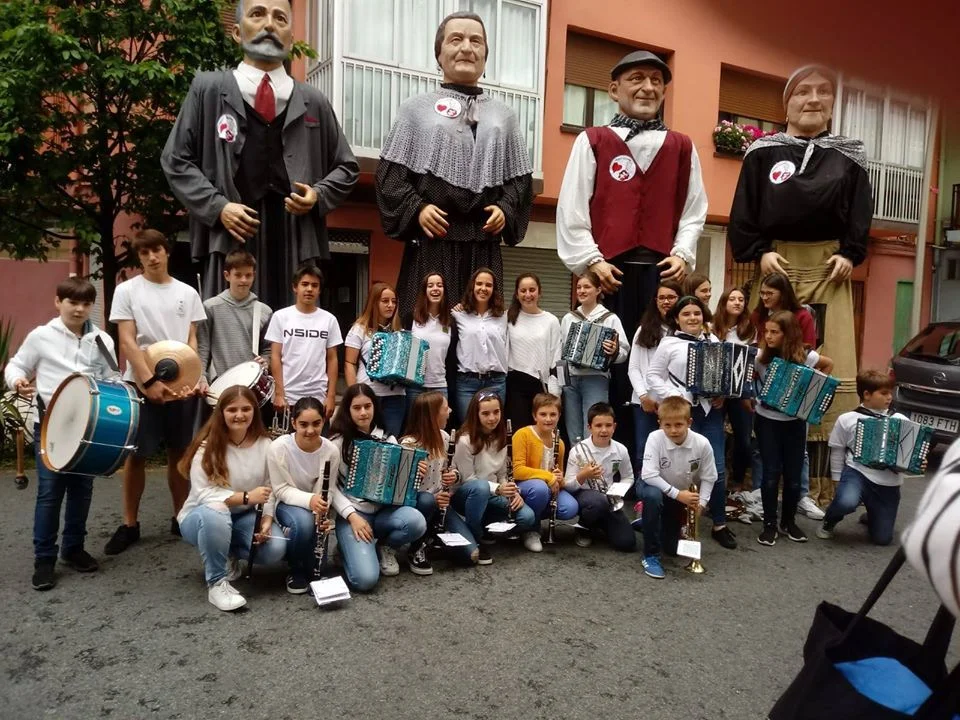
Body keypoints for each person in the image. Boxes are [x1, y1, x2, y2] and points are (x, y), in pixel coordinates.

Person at [729, 65, 872, 511]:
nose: (813, 99)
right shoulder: (761, 153)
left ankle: (814, 487)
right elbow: (744, 211)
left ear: (832, 103)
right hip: (776, 266)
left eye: (823, 92)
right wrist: (760, 251)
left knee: (826, 371)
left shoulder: (850, 156)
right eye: (802, 92)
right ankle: (757, 481)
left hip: (831, 271)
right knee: (766, 365)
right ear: (786, 104)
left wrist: (850, 253)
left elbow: (860, 213)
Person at [161, 0, 359, 311]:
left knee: (294, 328)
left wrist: (318, 195)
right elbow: (176, 159)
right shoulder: (207, 89)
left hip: (294, 237)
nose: (269, 24)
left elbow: (346, 167)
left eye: (280, 18)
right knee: (227, 326)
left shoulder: (314, 101)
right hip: (230, 234)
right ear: (237, 32)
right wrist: (218, 207)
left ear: (291, 38)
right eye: (258, 14)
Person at [376, 11, 533, 316]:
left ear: (485, 55)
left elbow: (520, 183)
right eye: (456, 39)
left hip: (483, 243)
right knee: (427, 326)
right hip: (433, 241)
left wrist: (505, 208)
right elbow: (390, 178)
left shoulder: (505, 116)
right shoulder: (414, 110)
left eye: (476, 41)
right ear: (439, 54)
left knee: (482, 329)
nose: (466, 48)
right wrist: (417, 208)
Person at [556, 49, 707, 341]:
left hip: (662, 277)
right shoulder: (593, 140)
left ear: (664, 92)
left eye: (656, 80)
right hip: (607, 275)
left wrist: (682, 254)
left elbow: (694, 211)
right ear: (614, 90)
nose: (648, 87)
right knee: (602, 355)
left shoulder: (682, 146)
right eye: (637, 79)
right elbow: (572, 209)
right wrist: (592, 261)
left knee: (661, 352)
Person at [5, 277, 118, 590]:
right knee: (50, 492)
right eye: (72, 302)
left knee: (82, 489)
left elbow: (112, 378)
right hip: (50, 425)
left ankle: (73, 548)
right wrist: (17, 382)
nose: (79, 309)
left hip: (88, 427)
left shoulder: (102, 340)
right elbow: (15, 366)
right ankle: (44, 559)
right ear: (58, 302)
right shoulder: (41, 336)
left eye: (86, 303)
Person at [105, 230, 207, 556]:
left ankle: (180, 517)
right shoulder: (127, 291)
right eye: (145, 252)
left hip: (181, 387)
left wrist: (192, 376)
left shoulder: (188, 292)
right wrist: (148, 382)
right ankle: (129, 524)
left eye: (157, 250)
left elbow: (192, 340)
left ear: (167, 252)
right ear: (139, 257)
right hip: (141, 385)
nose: (152, 257)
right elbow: (127, 340)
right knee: (136, 455)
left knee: (179, 453)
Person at [178, 385, 286, 610]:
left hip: (243, 517)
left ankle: (226, 552)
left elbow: (270, 487)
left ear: (254, 411)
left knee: (274, 549)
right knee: (216, 511)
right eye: (232, 410)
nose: (239, 415)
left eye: (246, 409)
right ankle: (216, 583)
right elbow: (204, 494)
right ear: (221, 412)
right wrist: (246, 497)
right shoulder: (207, 446)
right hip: (201, 517)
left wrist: (267, 520)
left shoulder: (265, 445)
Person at [646, 295, 737, 549]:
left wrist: (722, 392)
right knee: (682, 469)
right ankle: (679, 523)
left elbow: (723, 374)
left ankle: (719, 524)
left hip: (709, 412)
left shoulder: (713, 341)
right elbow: (653, 376)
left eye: (696, 313)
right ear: (677, 319)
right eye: (686, 314)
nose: (692, 318)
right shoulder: (669, 343)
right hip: (681, 416)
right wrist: (675, 396)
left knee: (716, 468)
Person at [329, 384, 428, 590]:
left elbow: (400, 484)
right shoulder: (337, 443)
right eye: (357, 408)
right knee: (365, 580)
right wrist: (351, 516)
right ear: (347, 410)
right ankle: (345, 550)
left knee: (417, 522)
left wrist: (414, 473)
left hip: (384, 513)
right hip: (355, 514)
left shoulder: (388, 438)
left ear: (375, 407)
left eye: (368, 406)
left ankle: (385, 547)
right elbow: (331, 488)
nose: (363, 412)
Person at [753, 311, 834, 546]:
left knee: (793, 476)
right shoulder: (760, 357)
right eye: (766, 331)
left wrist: (810, 393)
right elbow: (750, 379)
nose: (768, 336)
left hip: (795, 423)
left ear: (788, 334)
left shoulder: (807, 356)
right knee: (770, 475)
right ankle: (769, 524)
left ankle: (788, 522)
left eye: (774, 332)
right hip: (767, 420)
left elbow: (828, 364)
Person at [750, 272, 825, 519]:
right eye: (762, 293)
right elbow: (753, 365)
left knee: (795, 463)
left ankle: (798, 501)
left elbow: (817, 359)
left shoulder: (801, 316)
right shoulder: (759, 324)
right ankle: (763, 501)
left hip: (794, 410)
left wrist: (809, 394)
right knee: (767, 462)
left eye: (769, 293)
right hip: (765, 408)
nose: (764, 297)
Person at [818, 370, 914, 546]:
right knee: (846, 502)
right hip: (857, 473)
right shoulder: (847, 419)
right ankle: (829, 520)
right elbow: (837, 449)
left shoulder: (901, 420)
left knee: (882, 539)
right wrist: (837, 479)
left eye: (890, 393)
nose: (889, 397)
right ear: (867, 394)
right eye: (883, 393)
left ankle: (873, 515)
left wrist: (917, 462)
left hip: (888, 483)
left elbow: (909, 455)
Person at [402, 390, 488, 566]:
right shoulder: (408, 444)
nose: (450, 411)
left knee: (470, 555)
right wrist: (413, 476)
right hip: (420, 505)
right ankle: (416, 546)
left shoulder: (445, 437)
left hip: (442, 505)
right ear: (433, 415)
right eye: (445, 408)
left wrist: (453, 476)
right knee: (426, 500)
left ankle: (434, 540)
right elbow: (400, 490)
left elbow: (456, 470)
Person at [637, 396, 718, 579]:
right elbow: (649, 475)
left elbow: (709, 477)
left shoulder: (702, 443)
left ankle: (649, 521)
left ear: (689, 422)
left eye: (679, 425)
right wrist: (678, 495)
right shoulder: (654, 438)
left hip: (678, 495)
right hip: (654, 487)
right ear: (660, 423)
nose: (673, 430)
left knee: (672, 549)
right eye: (667, 425)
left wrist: (701, 504)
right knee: (652, 497)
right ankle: (650, 556)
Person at [266, 396, 339, 594]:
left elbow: (328, 489)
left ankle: (311, 568)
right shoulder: (278, 447)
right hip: (286, 503)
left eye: (316, 423)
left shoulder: (331, 451)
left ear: (323, 422)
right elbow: (280, 489)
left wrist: (322, 511)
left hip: (314, 505)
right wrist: (310, 501)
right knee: (304, 523)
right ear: (293, 423)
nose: (310, 430)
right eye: (303, 424)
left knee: (317, 564)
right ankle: (294, 567)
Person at [453, 390, 538, 556]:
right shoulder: (464, 440)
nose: (492, 418)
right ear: (475, 414)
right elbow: (468, 479)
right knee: (480, 488)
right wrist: (498, 489)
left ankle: (485, 526)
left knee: (527, 517)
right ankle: (475, 535)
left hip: (493, 492)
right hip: (468, 494)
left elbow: (502, 474)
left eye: (496, 412)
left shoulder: (502, 436)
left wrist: (512, 491)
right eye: (485, 414)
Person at [264, 264, 342, 420]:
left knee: (317, 436)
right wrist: (279, 393)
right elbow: (275, 356)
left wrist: (331, 396)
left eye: (314, 285)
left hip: (318, 396)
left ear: (319, 290)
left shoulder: (329, 320)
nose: (309, 289)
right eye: (305, 284)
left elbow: (332, 358)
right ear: (295, 287)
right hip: (288, 397)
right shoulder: (281, 317)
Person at [559, 270, 628, 443]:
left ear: (598, 290)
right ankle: (577, 459)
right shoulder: (569, 318)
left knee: (594, 428)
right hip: (571, 380)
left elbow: (624, 353)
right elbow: (561, 352)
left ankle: (593, 460)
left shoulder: (610, 319)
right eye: (579, 287)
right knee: (573, 430)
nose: (581, 291)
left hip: (596, 378)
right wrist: (561, 382)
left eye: (587, 287)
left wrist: (614, 351)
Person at [563, 402, 637, 552]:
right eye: (598, 426)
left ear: (614, 426)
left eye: (608, 425)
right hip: (584, 496)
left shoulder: (621, 450)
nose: (604, 430)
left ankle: (599, 523)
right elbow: (568, 486)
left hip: (608, 497)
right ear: (589, 427)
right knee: (597, 502)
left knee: (627, 542)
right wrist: (584, 475)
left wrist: (617, 491)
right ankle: (584, 526)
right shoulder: (577, 450)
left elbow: (628, 477)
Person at [196, 249, 272, 387]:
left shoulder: (264, 311)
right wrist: (201, 377)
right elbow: (203, 347)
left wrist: (266, 360)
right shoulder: (210, 307)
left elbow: (268, 349)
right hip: (218, 382)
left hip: (250, 384)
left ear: (254, 276)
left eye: (248, 275)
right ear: (227, 275)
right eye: (238, 275)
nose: (243, 280)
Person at [512, 393, 577, 549]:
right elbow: (517, 470)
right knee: (539, 488)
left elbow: (559, 476)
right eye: (543, 414)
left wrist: (560, 479)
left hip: (547, 487)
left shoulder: (559, 442)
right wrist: (548, 476)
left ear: (559, 416)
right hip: (525, 486)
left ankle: (530, 516)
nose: (548, 419)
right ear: (535, 415)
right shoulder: (523, 435)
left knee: (570, 508)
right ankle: (530, 530)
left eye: (553, 414)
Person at [628, 279, 682, 467]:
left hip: (674, 402)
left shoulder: (684, 332)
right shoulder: (644, 330)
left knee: (672, 452)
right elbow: (633, 368)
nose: (666, 301)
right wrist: (644, 397)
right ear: (656, 301)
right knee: (644, 451)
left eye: (671, 297)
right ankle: (643, 485)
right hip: (645, 403)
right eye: (662, 298)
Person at [712, 287, 760, 494]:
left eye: (741, 299)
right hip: (717, 392)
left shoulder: (750, 330)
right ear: (724, 303)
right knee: (715, 436)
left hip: (741, 391)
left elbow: (751, 362)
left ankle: (737, 480)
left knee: (744, 439)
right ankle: (715, 480)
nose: (737, 302)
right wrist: (721, 392)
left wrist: (747, 391)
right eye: (732, 299)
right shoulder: (712, 327)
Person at [344, 282, 406, 437]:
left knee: (390, 440)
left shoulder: (400, 332)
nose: (390, 305)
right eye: (385, 301)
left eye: (393, 301)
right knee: (365, 439)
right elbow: (349, 363)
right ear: (374, 302)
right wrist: (355, 394)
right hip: (368, 394)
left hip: (396, 396)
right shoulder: (359, 329)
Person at [505, 273, 562, 432]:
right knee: (518, 433)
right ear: (517, 294)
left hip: (541, 386)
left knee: (542, 433)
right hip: (515, 385)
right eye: (523, 290)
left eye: (532, 290)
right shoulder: (507, 317)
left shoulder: (551, 320)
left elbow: (556, 357)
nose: (528, 294)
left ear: (539, 292)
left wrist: (555, 391)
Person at [451, 268, 508, 423]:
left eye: (488, 285)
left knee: (493, 428)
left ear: (494, 290)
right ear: (472, 286)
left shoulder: (504, 316)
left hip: (495, 382)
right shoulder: (458, 315)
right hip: (467, 383)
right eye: (479, 284)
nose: (483, 288)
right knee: (468, 428)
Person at [402, 272, 457, 413]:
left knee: (439, 425)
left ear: (444, 291)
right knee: (414, 425)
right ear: (424, 291)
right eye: (430, 285)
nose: (435, 289)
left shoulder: (451, 321)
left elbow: (452, 358)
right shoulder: (410, 318)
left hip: (440, 385)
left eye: (439, 285)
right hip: (414, 385)